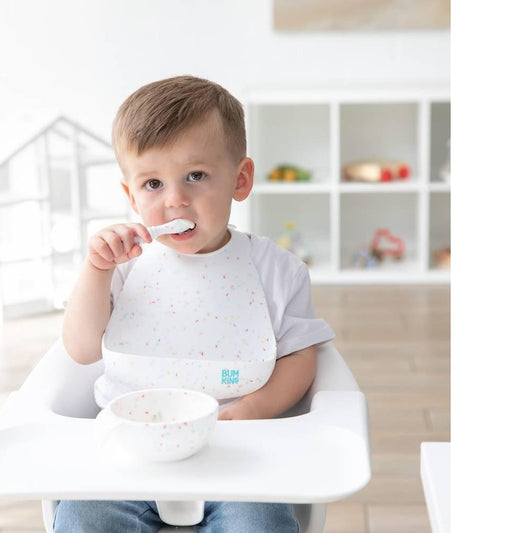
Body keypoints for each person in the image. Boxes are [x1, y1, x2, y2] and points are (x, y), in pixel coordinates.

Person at [54, 75, 335, 533]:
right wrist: (97, 268)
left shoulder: (278, 271)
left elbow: (301, 356)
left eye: (196, 176)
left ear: (240, 180)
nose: (175, 200)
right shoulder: (123, 265)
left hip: (237, 447)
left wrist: (253, 409)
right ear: (130, 195)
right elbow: (82, 349)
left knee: (258, 524)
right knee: (85, 518)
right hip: (129, 444)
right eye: (152, 183)